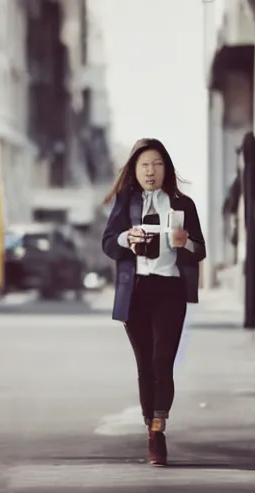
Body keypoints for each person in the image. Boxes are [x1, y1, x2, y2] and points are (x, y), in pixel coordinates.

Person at [101, 138, 206, 467]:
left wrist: (185, 241)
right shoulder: (126, 202)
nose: (151, 171)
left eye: (157, 164)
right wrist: (125, 238)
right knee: (145, 364)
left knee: (163, 360)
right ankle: (150, 427)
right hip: (135, 291)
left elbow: (200, 250)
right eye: (144, 165)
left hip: (169, 290)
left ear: (167, 169)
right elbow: (107, 243)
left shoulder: (182, 204)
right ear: (134, 169)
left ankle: (159, 430)